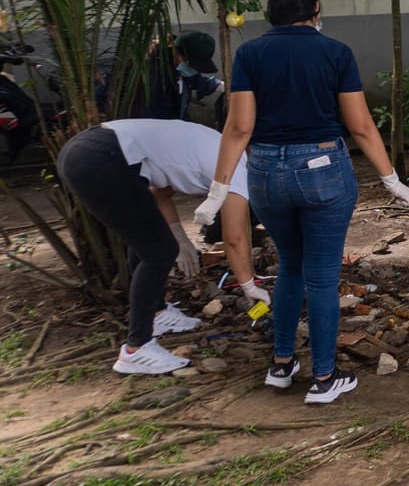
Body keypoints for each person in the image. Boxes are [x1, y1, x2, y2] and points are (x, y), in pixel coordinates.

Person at [195, 0, 409, 405]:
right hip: (322, 170)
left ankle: (281, 365)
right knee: (323, 275)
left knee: (290, 264)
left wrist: (217, 191)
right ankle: (325, 378)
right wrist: (390, 179)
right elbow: (361, 126)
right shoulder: (335, 52)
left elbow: (239, 127)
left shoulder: (250, 54)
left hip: (264, 173)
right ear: (315, 9)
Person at [57, 120, 267, 376]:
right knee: (159, 252)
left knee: (148, 242)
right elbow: (234, 238)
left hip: (89, 149)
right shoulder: (238, 169)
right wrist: (248, 285)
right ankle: (136, 349)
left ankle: (156, 314)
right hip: (102, 158)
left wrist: (180, 235)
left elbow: (161, 191)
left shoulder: (220, 145)